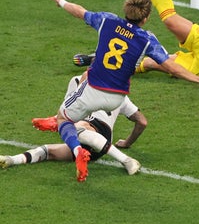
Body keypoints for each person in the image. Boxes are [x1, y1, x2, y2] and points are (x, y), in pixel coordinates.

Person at [44, 0, 199, 182]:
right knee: (82, 114)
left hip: (93, 90)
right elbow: (171, 66)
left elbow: (80, 12)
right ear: (145, 18)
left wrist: (60, 1)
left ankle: (78, 151)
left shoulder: (107, 21)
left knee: (62, 120)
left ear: (126, 11)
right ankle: (95, 140)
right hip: (117, 99)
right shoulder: (147, 40)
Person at [1, 75, 146, 175]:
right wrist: (127, 142)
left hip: (98, 129)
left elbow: (67, 113)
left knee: (78, 127)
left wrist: (56, 121)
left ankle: (126, 160)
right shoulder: (118, 95)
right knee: (47, 151)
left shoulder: (77, 81)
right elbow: (142, 122)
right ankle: (12, 159)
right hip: (94, 150)